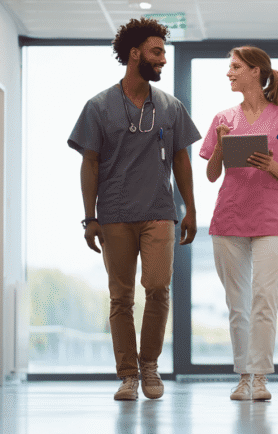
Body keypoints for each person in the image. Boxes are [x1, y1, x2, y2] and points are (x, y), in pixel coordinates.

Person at [67, 17, 201, 401]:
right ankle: (127, 374)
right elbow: (89, 163)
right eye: (156, 52)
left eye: (164, 52)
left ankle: (150, 366)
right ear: (134, 54)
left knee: (158, 288)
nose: (162, 59)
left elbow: (182, 160)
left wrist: (190, 209)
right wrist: (90, 216)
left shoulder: (170, 107)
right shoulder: (98, 107)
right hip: (114, 214)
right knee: (121, 297)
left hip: (159, 210)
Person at [199, 46, 278, 401]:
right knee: (237, 302)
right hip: (229, 218)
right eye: (229, 67)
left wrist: (268, 165)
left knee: (264, 299)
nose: (229, 73)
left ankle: (260, 377)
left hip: (272, 220)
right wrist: (220, 147)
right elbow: (212, 175)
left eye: (235, 67)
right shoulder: (222, 119)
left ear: (256, 71)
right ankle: (243, 376)